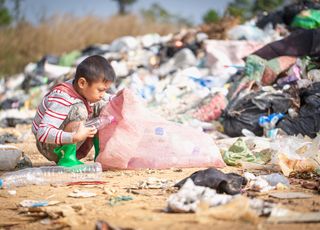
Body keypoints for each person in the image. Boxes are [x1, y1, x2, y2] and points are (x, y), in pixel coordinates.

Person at [32, 55, 116, 166]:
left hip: (71, 138)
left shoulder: (82, 89)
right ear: (82, 83)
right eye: (100, 90)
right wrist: (73, 137)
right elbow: (42, 133)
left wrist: (119, 98)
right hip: (49, 145)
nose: (102, 94)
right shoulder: (62, 98)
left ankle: (100, 156)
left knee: (104, 105)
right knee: (79, 110)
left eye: (105, 90)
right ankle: (67, 158)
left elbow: (107, 98)